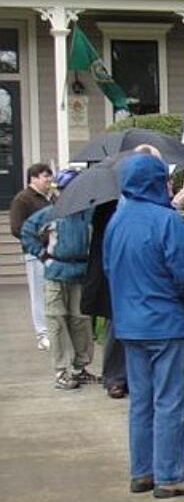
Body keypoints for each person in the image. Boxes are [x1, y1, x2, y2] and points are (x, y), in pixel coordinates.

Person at [104, 153, 184, 497]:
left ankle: (143, 471)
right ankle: (170, 475)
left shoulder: (117, 221)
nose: (169, 186)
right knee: (171, 401)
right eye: (165, 180)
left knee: (141, 401)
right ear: (154, 182)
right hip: (166, 323)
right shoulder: (167, 221)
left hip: (130, 325)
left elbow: (109, 269)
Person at [22, 170, 96, 391]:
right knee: (56, 321)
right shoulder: (50, 214)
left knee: (80, 320)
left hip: (80, 272)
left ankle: (79, 367)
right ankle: (61, 370)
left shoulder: (89, 213)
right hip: (56, 271)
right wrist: (43, 256)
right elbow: (27, 231)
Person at [82, 200, 127, 398]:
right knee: (115, 326)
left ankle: (130, 377)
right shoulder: (107, 208)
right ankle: (114, 377)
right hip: (115, 273)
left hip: (137, 273)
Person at [9, 162, 54, 350]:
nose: (49, 180)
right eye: (45, 176)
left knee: (50, 293)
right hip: (34, 253)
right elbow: (17, 228)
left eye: (50, 176)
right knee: (38, 294)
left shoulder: (49, 198)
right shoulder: (23, 199)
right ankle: (42, 334)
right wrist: (38, 239)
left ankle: (52, 331)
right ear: (34, 178)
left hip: (52, 252)